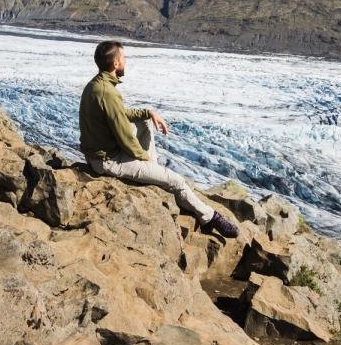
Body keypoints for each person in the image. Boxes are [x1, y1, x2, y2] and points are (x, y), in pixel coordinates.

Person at [79, 40, 239, 238]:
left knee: (145, 122)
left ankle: (153, 173)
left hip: (102, 153)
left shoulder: (97, 85)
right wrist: (141, 156)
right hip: (107, 161)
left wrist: (148, 112)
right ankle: (209, 217)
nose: (126, 62)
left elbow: (120, 114)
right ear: (116, 64)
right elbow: (124, 134)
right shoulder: (108, 92)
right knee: (177, 181)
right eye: (124, 58)